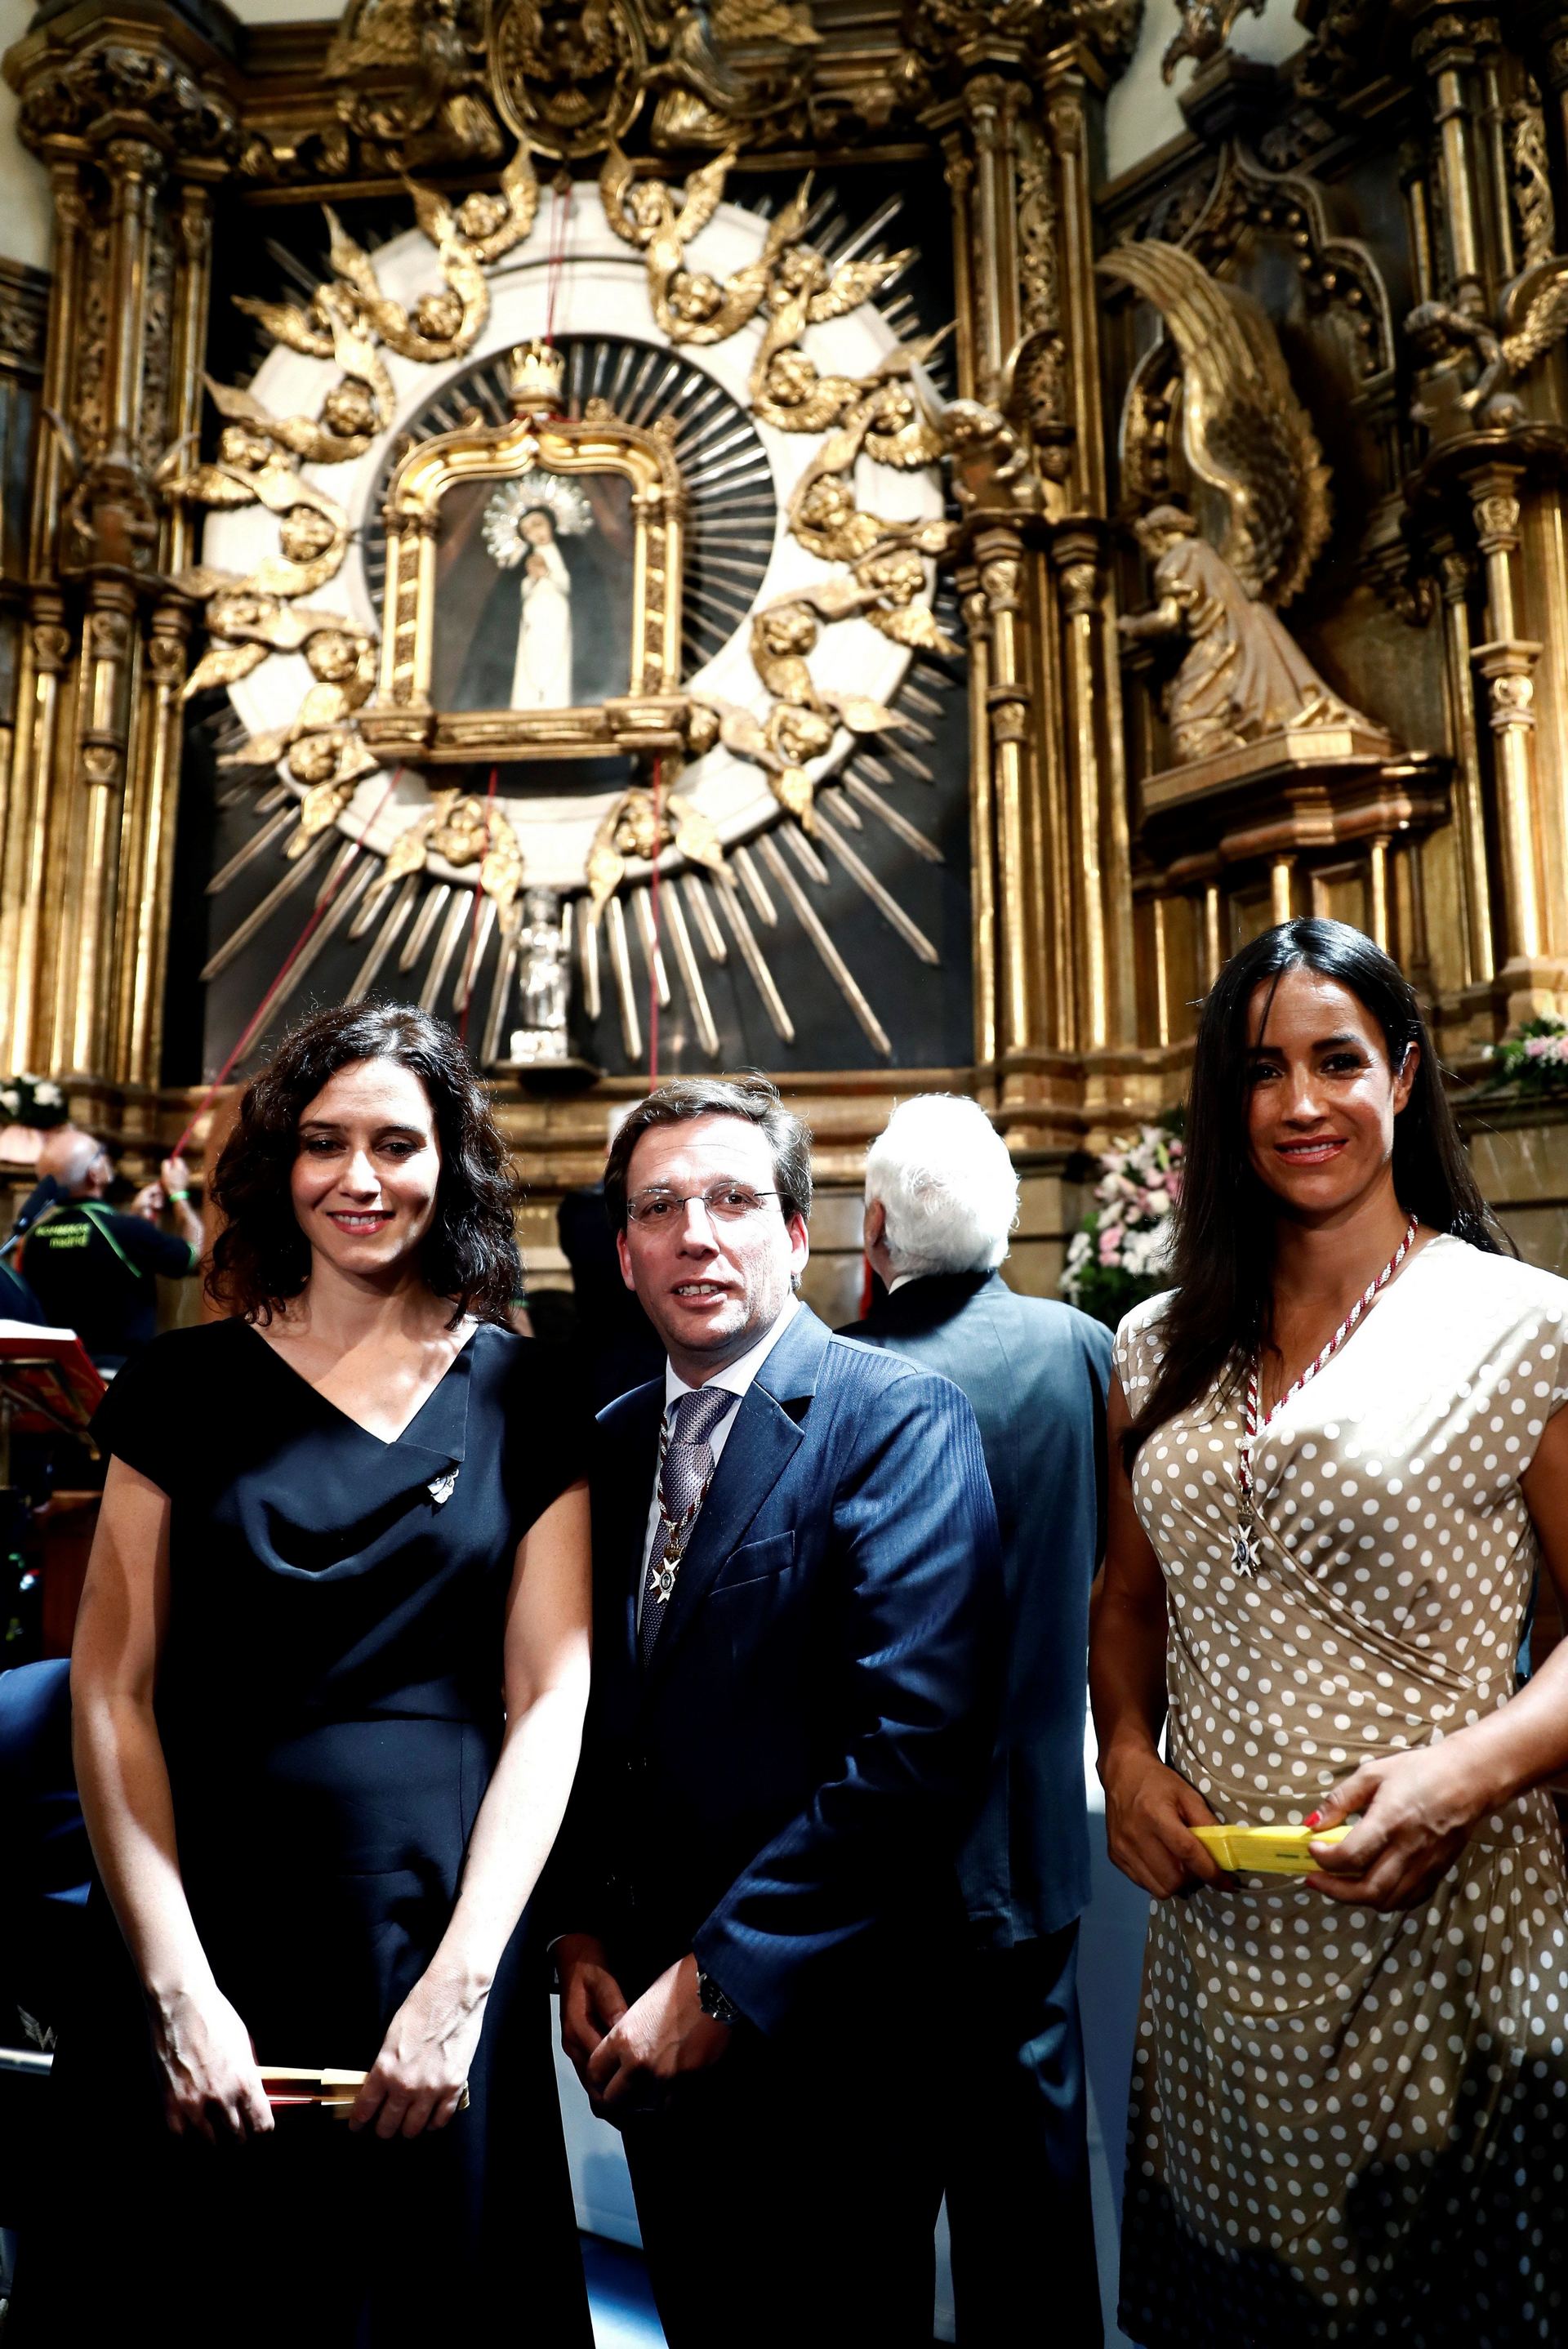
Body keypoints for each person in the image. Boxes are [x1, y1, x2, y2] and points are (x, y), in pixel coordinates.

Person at [11, 1002, 594, 2347]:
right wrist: (173, 1985)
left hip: (433, 1929)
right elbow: (110, 1688)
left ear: (453, 1161)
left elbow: (552, 1698)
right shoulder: (180, 1386)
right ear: (280, 1162)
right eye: (324, 1143)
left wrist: (462, 1990)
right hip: (194, 1912)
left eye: (398, 1142)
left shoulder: (529, 1395)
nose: (359, 1179)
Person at [1091, 917, 1568, 2348]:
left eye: (1337, 1061)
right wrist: (1124, 1752)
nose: (1300, 1103)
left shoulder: (1525, 1323)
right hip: (1223, 1953)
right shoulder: (1156, 1341)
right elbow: (1129, 1597)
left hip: (1453, 1934)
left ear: (1405, 1078)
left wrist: (1460, 1776)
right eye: (1261, 1070)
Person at [551, 1074, 1003, 2349]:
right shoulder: (612, 1437)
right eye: (661, 1208)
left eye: (735, 1200)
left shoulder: (895, 1415)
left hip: (828, 2031)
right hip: (640, 2023)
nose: (698, 1233)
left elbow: (916, 1744)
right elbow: (596, 1715)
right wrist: (582, 1929)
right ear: (627, 1253)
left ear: (799, 1234)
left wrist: (723, 1977)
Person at [843, 1091, 1111, 2346]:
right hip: (1035, 1853)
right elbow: (1123, 1564)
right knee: (1035, 2221)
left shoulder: (842, 1384)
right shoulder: (1080, 1349)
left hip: (874, 1871)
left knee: (872, 2221)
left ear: (876, 1232)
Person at [14, 1128, 202, 1369]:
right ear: (94, 1174)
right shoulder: (125, 1231)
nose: (106, 1157)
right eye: (101, 1153)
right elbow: (195, 1256)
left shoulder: (31, 1238)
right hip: (118, 1377)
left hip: (59, 1376)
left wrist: (135, 1220)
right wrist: (180, 1195)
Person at [512, 506, 572, 708]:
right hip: (535, 625)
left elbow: (579, 587)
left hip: (562, 621)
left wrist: (547, 575)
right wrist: (531, 579)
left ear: (550, 521)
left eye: (538, 525)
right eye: (528, 531)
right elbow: (511, 600)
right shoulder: (523, 562)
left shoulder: (573, 552)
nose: (536, 533)